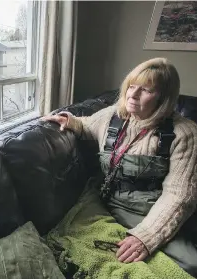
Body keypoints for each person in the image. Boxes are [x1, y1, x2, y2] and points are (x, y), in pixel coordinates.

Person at [42, 57, 197, 277]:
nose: (132, 95)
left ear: (163, 98)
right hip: (104, 202)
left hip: (150, 213)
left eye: (145, 90)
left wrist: (146, 237)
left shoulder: (186, 134)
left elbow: (179, 196)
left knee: (190, 266)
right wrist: (70, 121)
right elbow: (87, 124)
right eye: (131, 86)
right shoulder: (112, 116)